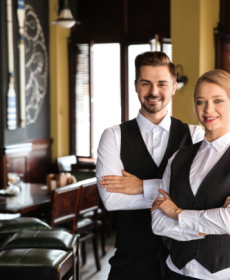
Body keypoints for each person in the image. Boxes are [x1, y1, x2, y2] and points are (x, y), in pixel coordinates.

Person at [96, 51, 204, 280]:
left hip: (184, 261)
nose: (154, 92)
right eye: (146, 83)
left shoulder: (195, 135)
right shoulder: (112, 136)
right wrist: (174, 193)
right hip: (130, 261)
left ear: (174, 87)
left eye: (162, 84)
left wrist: (141, 186)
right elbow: (111, 200)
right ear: (136, 85)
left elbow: (199, 195)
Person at [151, 69, 230, 280]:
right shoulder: (179, 157)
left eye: (218, 100)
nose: (208, 109)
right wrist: (206, 228)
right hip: (175, 271)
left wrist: (176, 213)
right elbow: (157, 222)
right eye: (200, 101)